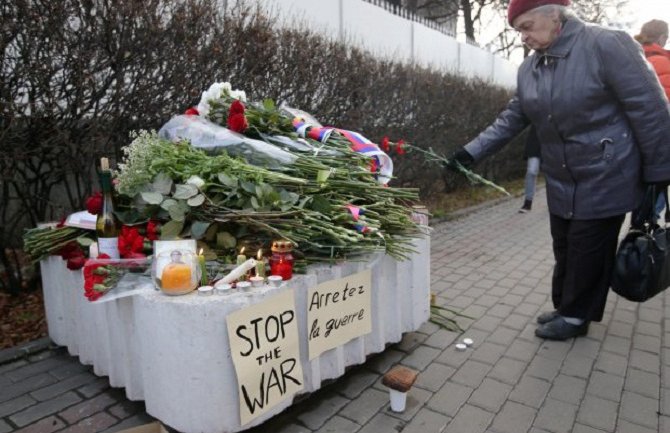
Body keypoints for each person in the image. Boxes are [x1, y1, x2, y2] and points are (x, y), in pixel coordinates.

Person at [451, 0, 670, 340]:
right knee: (564, 245)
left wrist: (660, 168)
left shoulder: (605, 44)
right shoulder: (531, 68)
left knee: (589, 249)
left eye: (526, 26)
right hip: (562, 176)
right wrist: (470, 152)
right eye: (517, 30)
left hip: (606, 170)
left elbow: (650, 107)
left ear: (554, 15)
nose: (523, 37)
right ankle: (565, 306)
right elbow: (512, 118)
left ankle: (576, 316)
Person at [635, 19, 670, 219]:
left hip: (628, 146)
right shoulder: (663, 62)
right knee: (652, 205)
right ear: (663, 37)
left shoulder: (629, 56)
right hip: (657, 148)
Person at [519, 126, 540, 213]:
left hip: (554, 143)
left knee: (555, 175)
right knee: (531, 171)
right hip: (535, 143)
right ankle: (528, 202)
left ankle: (556, 203)